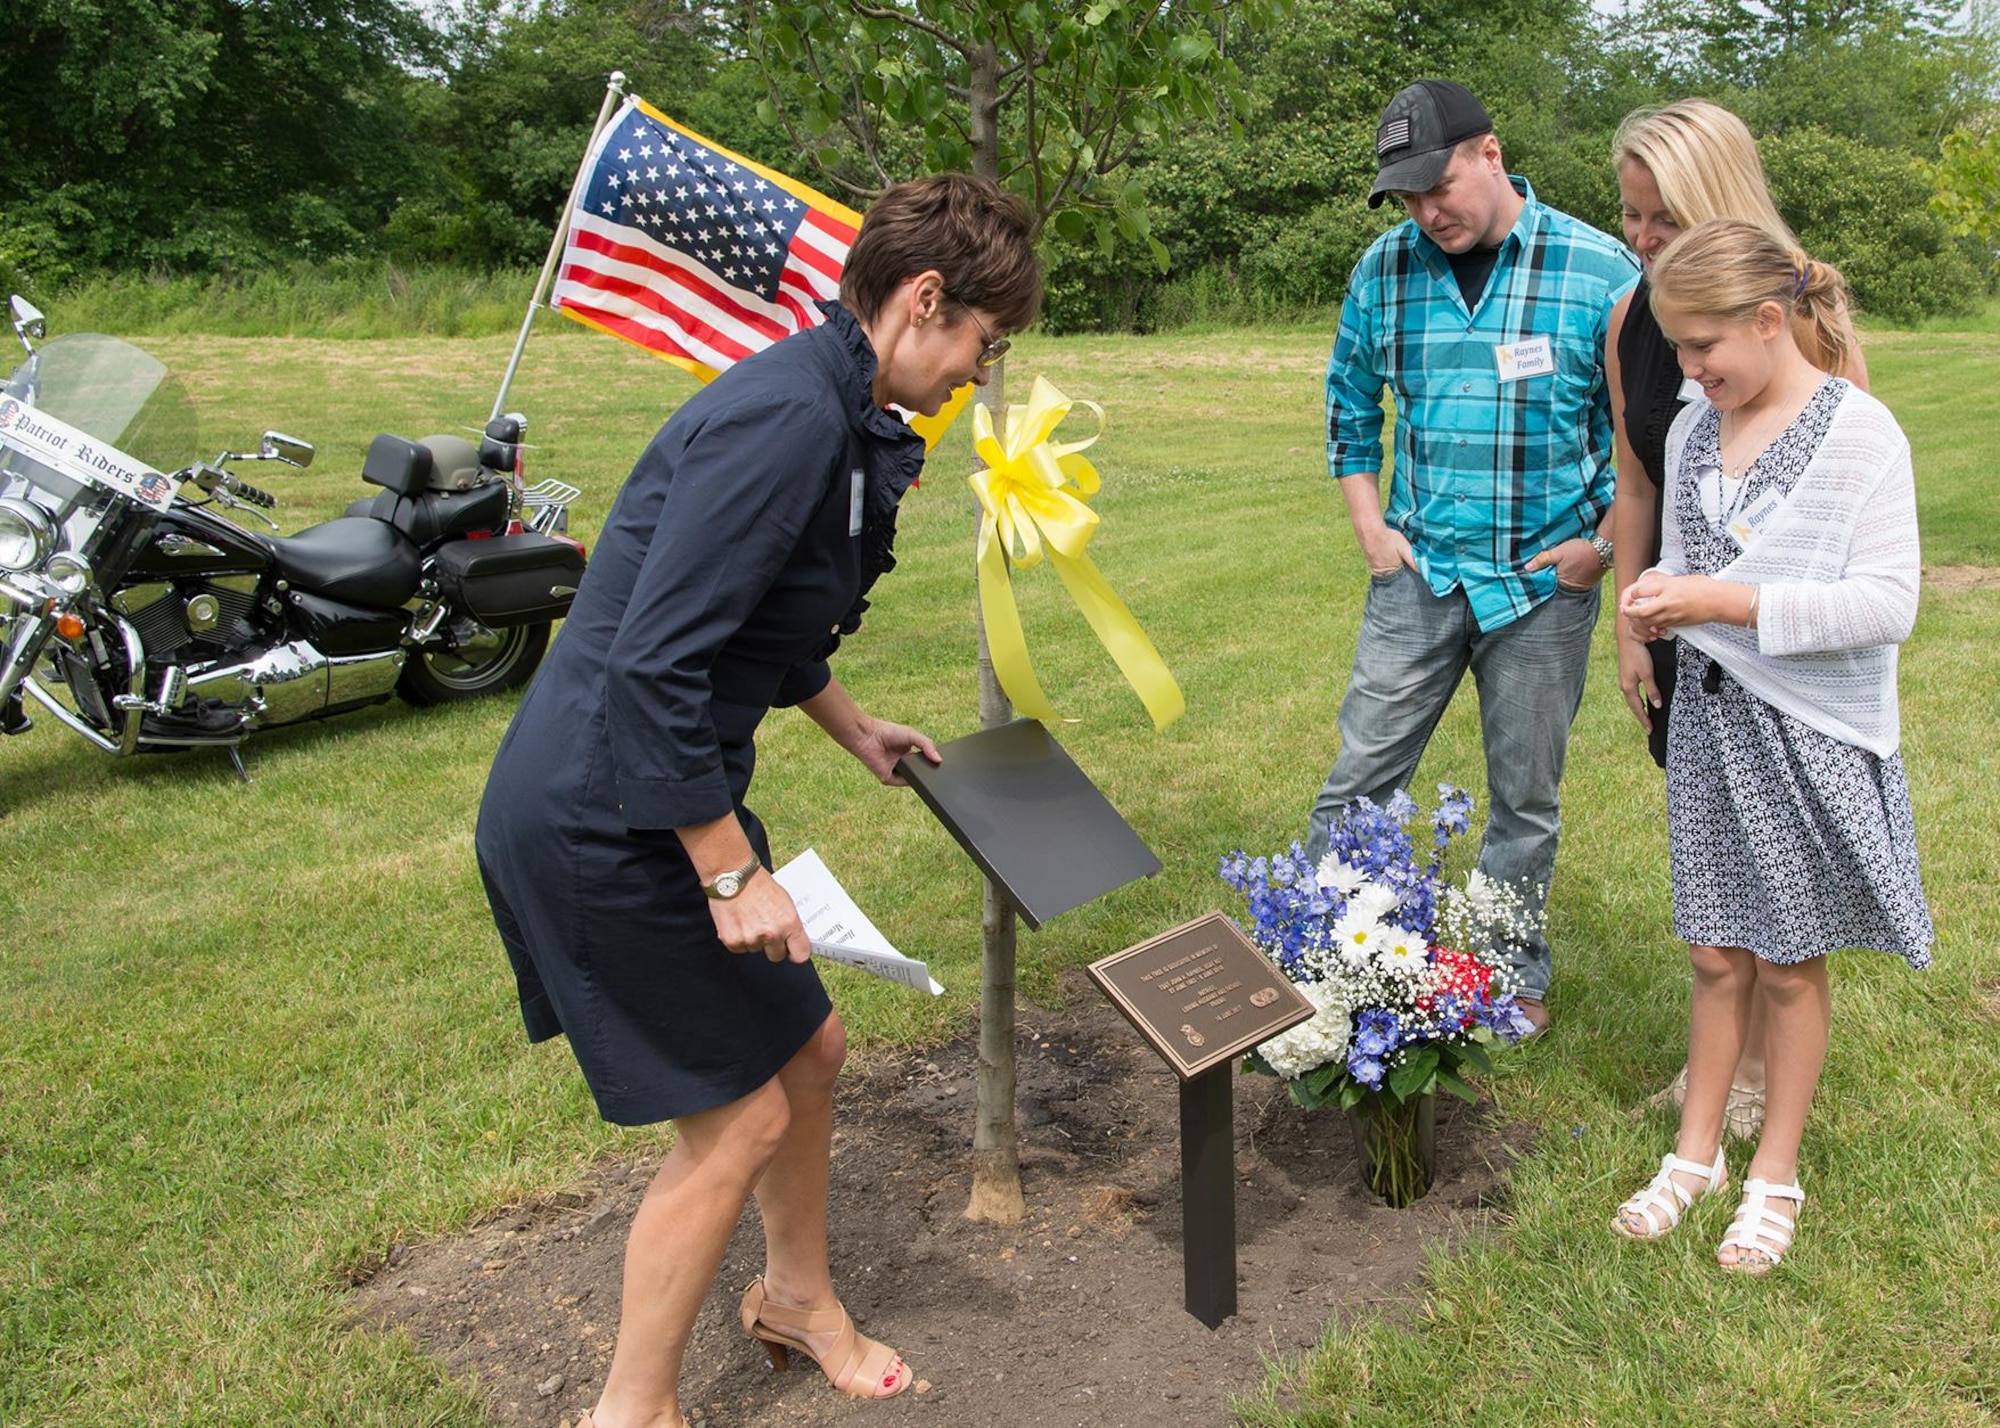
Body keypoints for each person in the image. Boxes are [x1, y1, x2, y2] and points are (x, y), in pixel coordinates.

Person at [474, 174, 1041, 1428]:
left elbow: (763, 614)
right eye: (981, 343)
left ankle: (794, 1299)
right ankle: (632, 1409)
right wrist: (730, 871)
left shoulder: (841, 412)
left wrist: (849, 724)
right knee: (734, 1123)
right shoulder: (786, 419)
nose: (978, 373)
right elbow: (656, 662)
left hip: (659, 787)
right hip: (599, 813)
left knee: (809, 1049)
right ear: (923, 300)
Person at [1609, 219, 1931, 1272]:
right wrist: (1658, 606)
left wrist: (1720, 600)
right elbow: (1690, 557)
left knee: (1787, 962)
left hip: (1806, 734)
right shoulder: (1698, 429)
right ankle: (1691, 1154)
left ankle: (1771, 1172)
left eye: (1703, 349)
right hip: (1709, 724)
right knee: (1712, 952)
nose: (1689, 374)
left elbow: (1886, 603)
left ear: (1766, 318)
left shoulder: (1858, 433)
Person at [1306, 79, 1639, 1034]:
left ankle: (1505, 978)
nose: (1426, 212)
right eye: (1406, 197)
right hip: (1420, 577)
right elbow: (1348, 405)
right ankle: (1335, 964)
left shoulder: (1598, 269)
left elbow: (1642, 433)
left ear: (1490, 154)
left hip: (1542, 588)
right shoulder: (1384, 270)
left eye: (1437, 186)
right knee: (1359, 783)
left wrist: (1601, 550)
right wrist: (1371, 527)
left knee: (1523, 798)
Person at [1606, 98, 1871, 1138]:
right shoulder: (1636, 319)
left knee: (1776, 868)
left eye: (1661, 217)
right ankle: (1723, 1067)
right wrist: (1631, 623)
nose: (1640, 240)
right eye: (1628, 215)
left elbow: (1843, 506)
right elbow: (1635, 482)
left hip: (1775, 642)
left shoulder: (1795, 311)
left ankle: (1757, 1073)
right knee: (1715, 861)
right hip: (1684, 635)